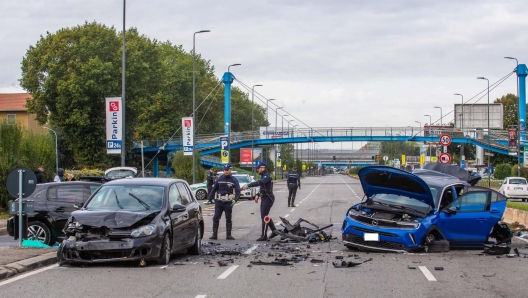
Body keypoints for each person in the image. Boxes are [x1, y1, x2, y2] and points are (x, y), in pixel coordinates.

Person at [242, 162, 277, 241]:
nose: (257, 170)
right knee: (265, 215)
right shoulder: (263, 176)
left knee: (264, 216)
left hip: (268, 198)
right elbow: (263, 188)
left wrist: (248, 185)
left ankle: (264, 235)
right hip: (265, 197)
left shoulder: (266, 176)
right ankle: (274, 231)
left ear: (262, 168)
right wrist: (258, 195)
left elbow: (260, 183)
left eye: (258, 168)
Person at [207, 163, 241, 240]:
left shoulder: (234, 180)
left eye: (227, 170)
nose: (226, 172)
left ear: (230, 170)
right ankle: (214, 234)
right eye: (225, 170)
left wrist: (235, 200)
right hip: (219, 202)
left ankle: (228, 235)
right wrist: (209, 199)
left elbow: (238, 191)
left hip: (228, 202)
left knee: (228, 218)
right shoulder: (219, 179)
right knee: (216, 218)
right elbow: (213, 190)